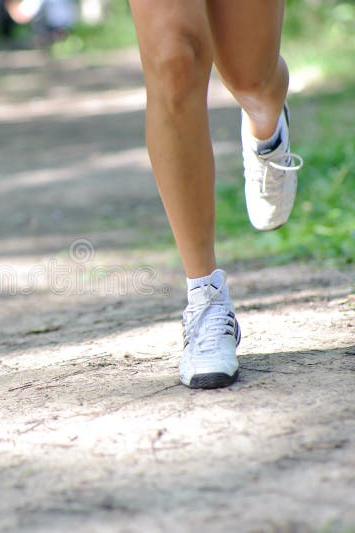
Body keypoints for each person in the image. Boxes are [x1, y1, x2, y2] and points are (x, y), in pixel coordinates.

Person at [127, 1, 303, 389]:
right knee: (174, 58)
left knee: (250, 78)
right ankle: (205, 296)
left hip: (256, 86)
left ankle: (266, 128)